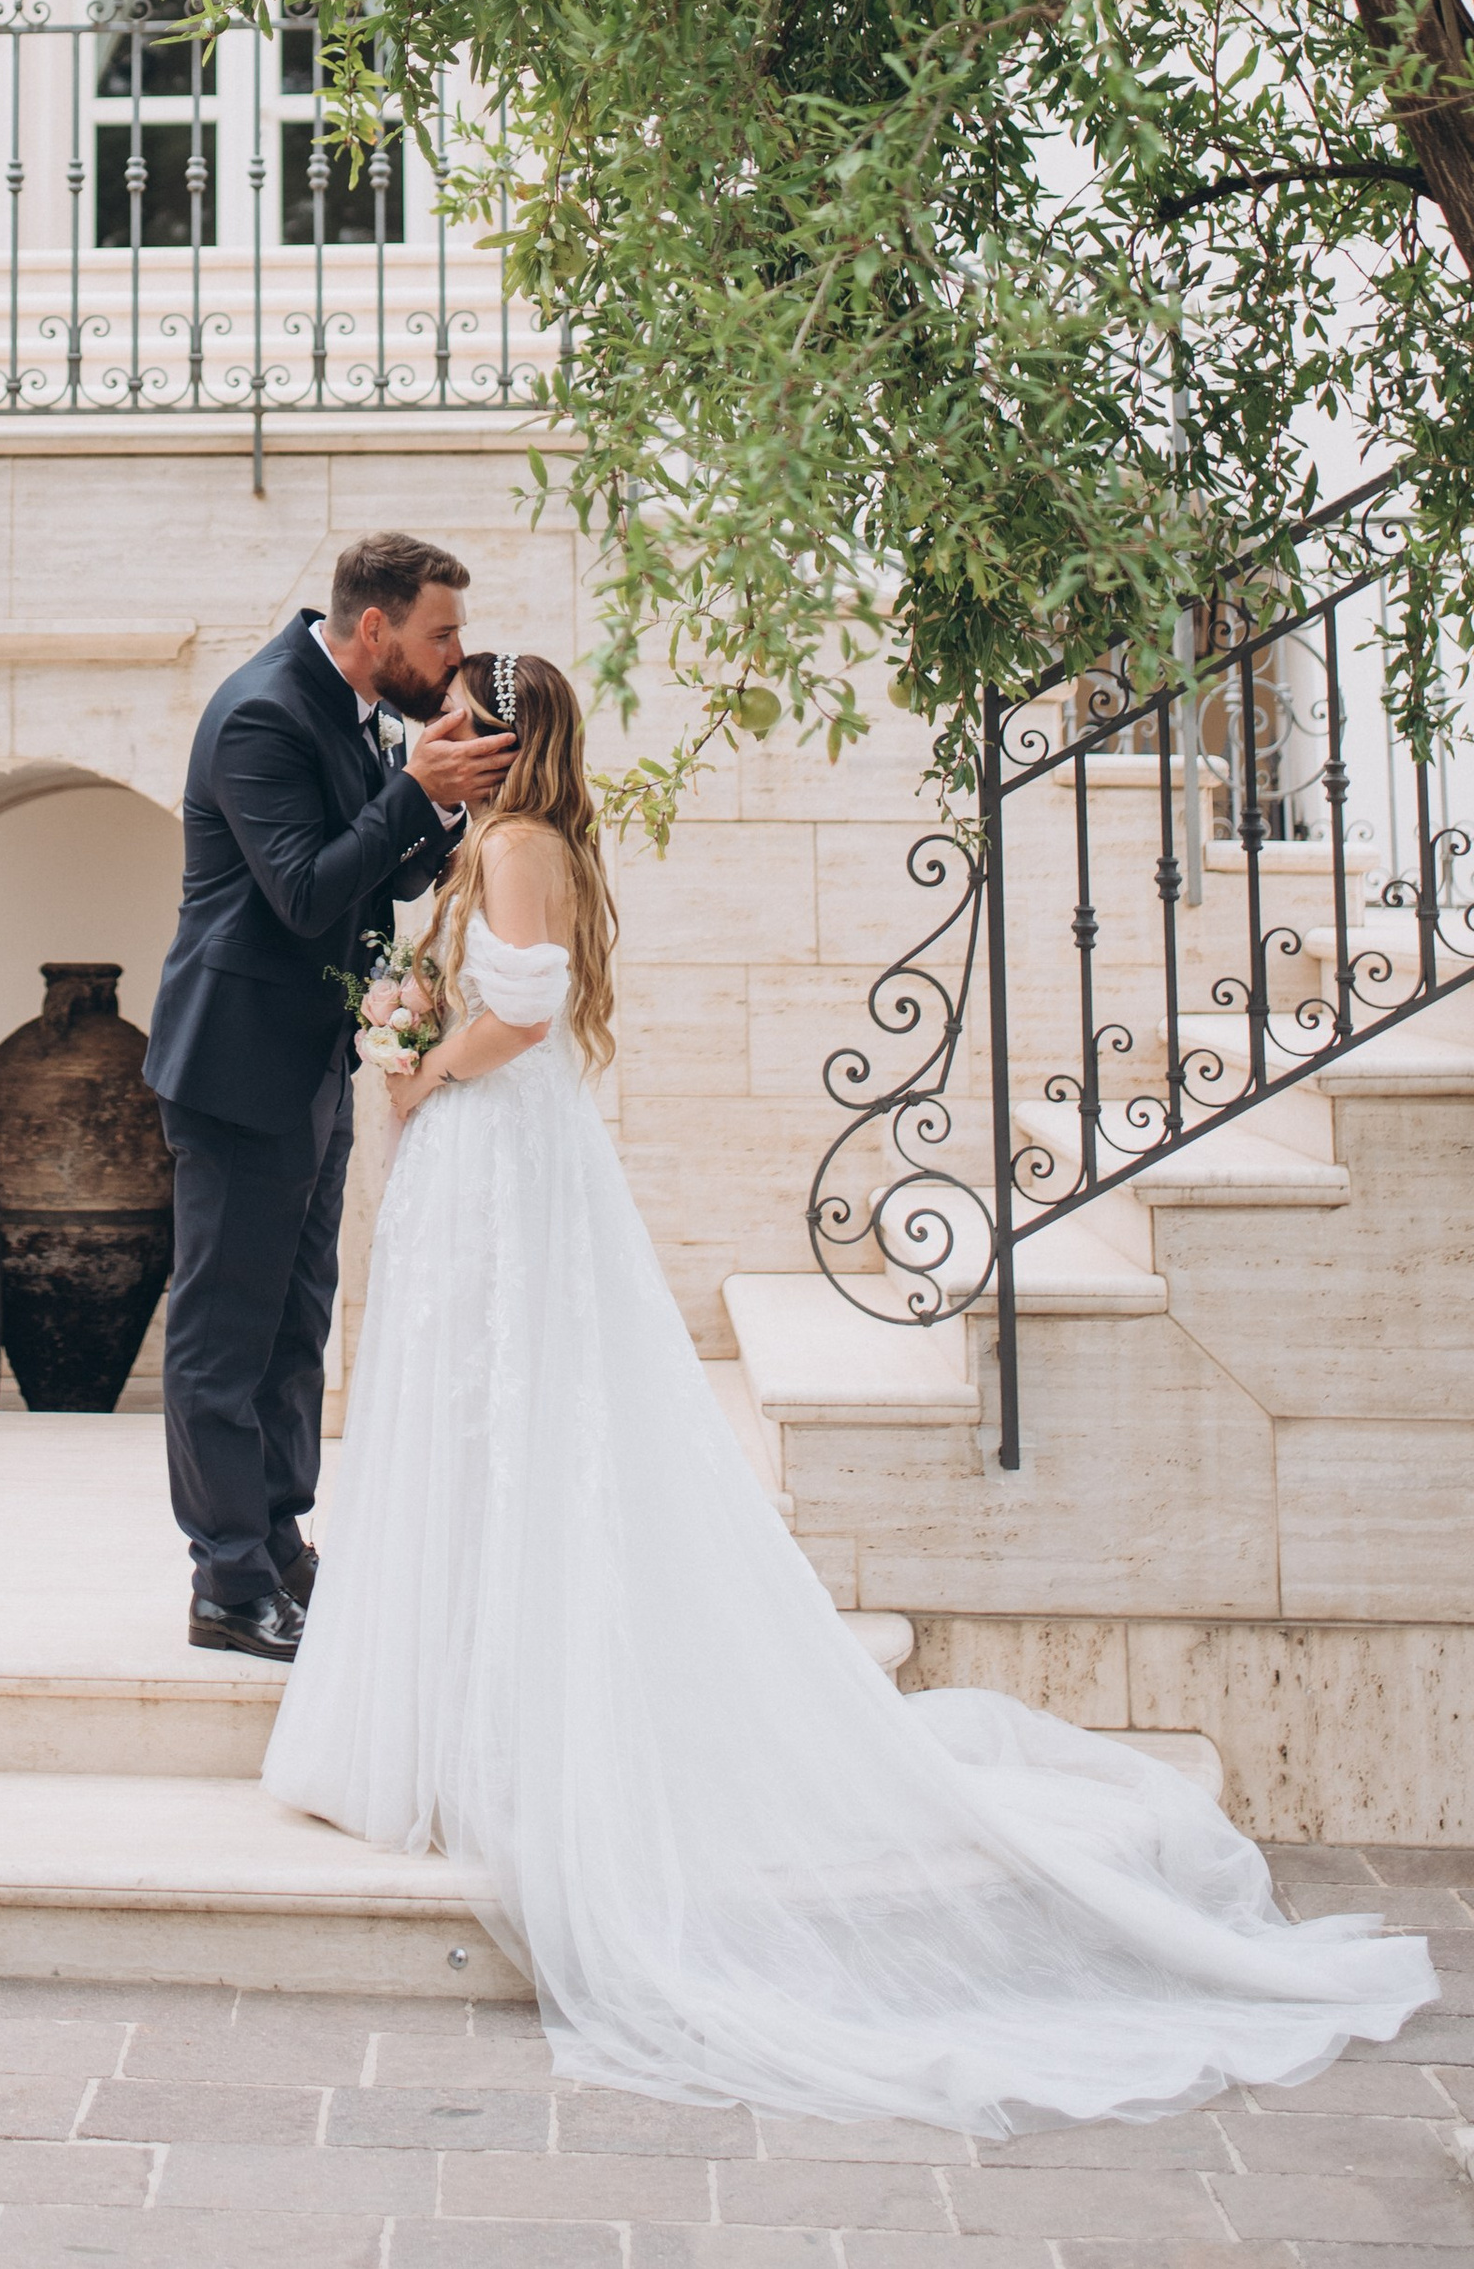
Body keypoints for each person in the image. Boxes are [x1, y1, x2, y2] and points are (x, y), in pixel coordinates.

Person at [265, 647, 1437, 2129]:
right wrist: (423, 1024)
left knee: (502, 1415)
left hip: (494, 1141)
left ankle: (470, 1722)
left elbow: (536, 1008)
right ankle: (446, 1696)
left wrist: (423, 1061)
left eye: (455, 719)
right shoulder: (527, 838)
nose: (435, 732)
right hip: (503, 1154)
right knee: (487, 1418)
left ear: (500, 743)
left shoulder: (509, 843)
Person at [144, 532, 516, 1661]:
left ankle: (280, 1541)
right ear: (374, 629)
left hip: (309, 1058)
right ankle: (224, 1581)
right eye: (439, 634)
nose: (452, 658)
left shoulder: (363, 713)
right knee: (225, 1330)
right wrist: (411, 790)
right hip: (232, 1062)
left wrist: (438, 812)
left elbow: (388, 872)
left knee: (298, 1317)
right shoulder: (263, 711)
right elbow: (305, 890)